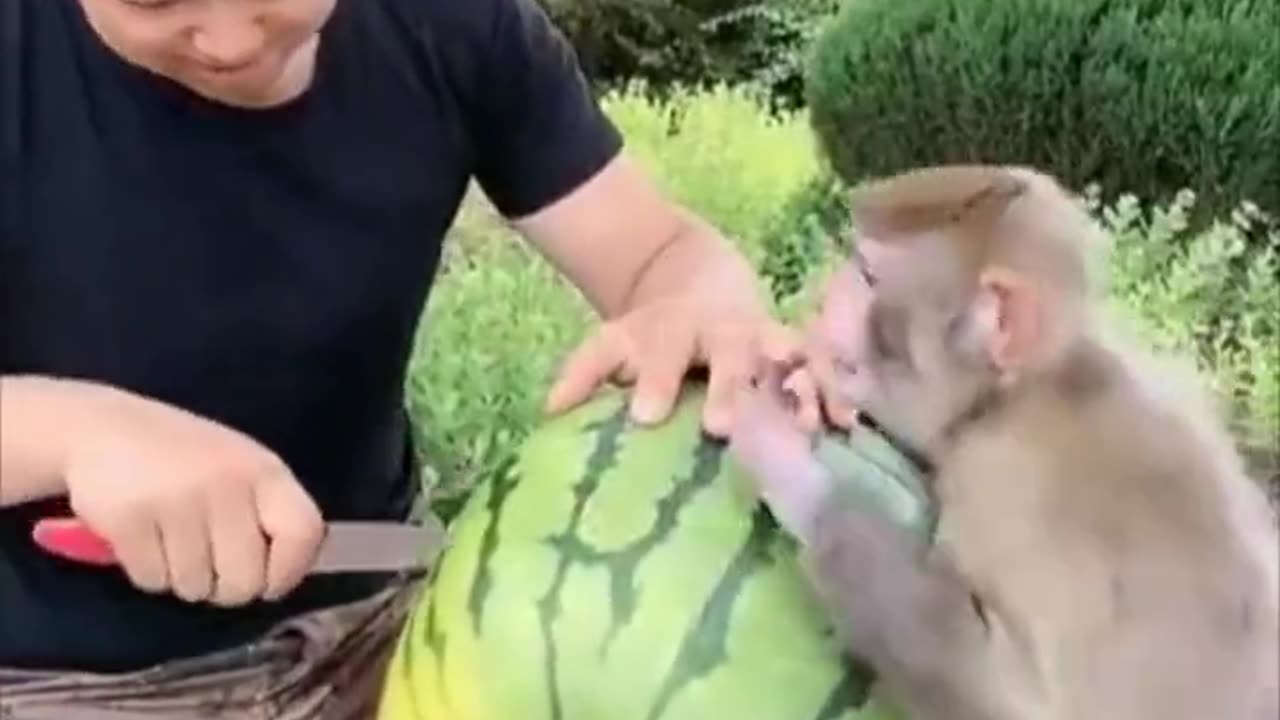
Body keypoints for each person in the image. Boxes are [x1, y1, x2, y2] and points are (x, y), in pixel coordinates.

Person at [1, 0, 848, 716]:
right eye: (153, 0)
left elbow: (660, 253)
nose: (229, 39)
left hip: (382, 625)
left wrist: (703, 317)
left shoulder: (446, 23)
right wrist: (81, 432)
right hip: (59, 678)